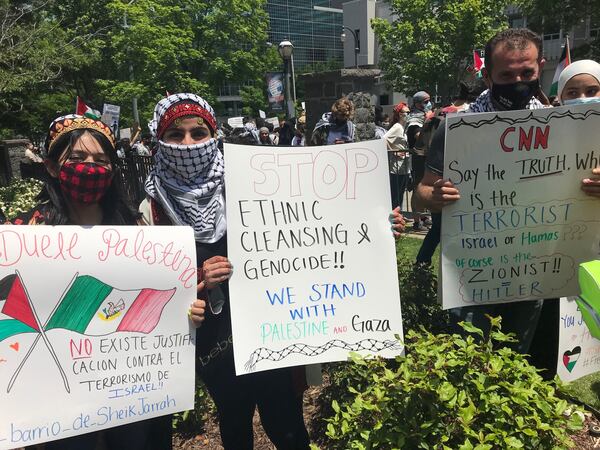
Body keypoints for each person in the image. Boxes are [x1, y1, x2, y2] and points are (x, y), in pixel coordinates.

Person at [139, 93, 311, 450]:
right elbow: (146, 283)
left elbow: (307, 226)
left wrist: (375, 227)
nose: (188, 144)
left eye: (198, 133)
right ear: (159, 139)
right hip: (212, 336)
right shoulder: (150, 207)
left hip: (270, 321)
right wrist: (194, 280)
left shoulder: (253, 183)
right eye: (175, 135)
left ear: (213, 134)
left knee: (286, 420)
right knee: (233, 417)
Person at [10, 115, 169, 449]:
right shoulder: (27, 234)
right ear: (53, 167)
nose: (89, 167)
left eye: (100, 160)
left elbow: (160, 306)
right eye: (77, 159)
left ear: (112, 169)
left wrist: (186, 312)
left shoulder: (136, 230)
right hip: (56, 398)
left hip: (127, 392)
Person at [416, 28, 548, 354]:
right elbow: (421, 191)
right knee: (468, 361)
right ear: (488, 75)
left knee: (518, 363)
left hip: (533, 270)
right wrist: (433, 197)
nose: (518, 80)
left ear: (540, 68)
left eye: (527, 72)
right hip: (472, 271)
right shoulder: (458, 128)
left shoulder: (558, 126)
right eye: (507, 74)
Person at [557, 59, 600, 199]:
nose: (582, 98)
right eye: (573, 93)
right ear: (561, 97)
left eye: (592, 91)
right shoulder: (549, 134)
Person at [407, 91, 433, 231]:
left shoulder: (424, 116)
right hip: (417, 158)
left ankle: (424, 217)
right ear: (417, 103)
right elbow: (419, 136)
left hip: (426, 157)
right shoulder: (414, 119)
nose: (428, 104)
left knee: (426, 188)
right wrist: (428, 121)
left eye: (429, 100)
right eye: (425, 101)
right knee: (417, 189)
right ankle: (417, 221)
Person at [384, 102, 411, 209]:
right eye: (406, 112)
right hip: (396, 168)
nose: (409, 114)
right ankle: (395, 216)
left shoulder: (403, 127)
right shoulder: (397, 127)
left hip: (403, 167)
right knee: (396, 195)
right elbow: (384, 139)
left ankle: (399, 215)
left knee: (400, 195)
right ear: (400, 114)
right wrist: (394, 150)